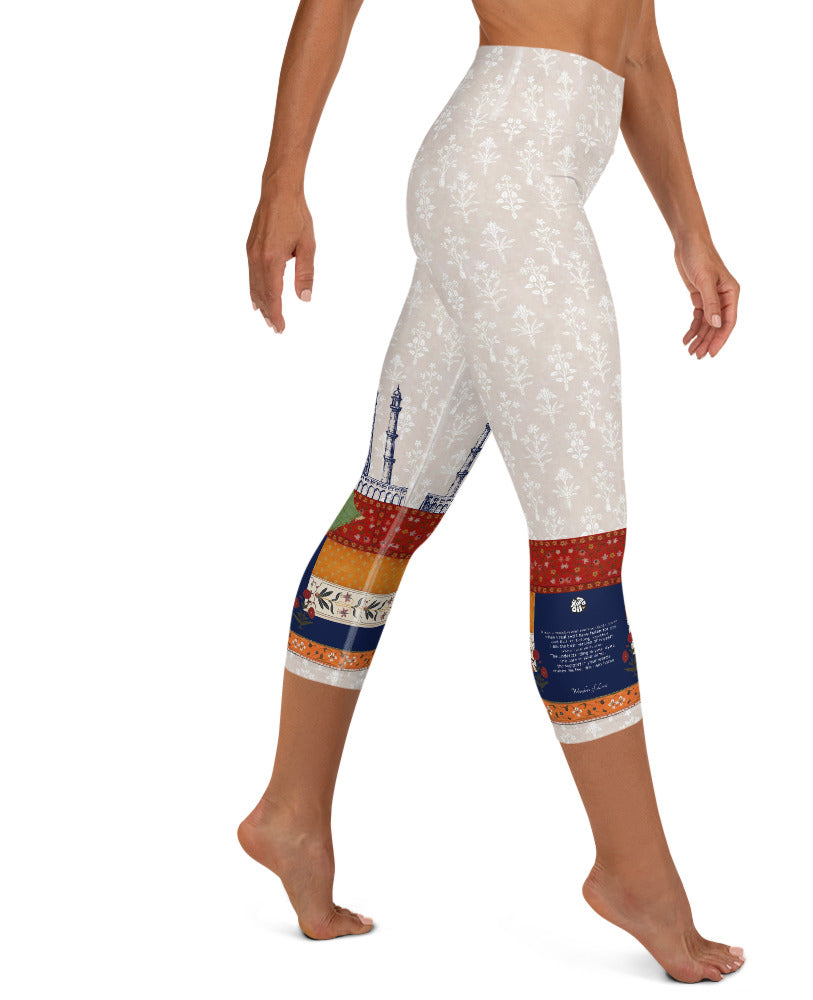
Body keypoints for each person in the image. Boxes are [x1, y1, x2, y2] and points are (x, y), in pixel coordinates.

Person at [239, 0, 743, 983]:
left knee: (387, 509)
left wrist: (691, 230)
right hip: (506, 177)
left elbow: (637, 46)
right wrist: (281, 183)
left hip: (507, 183)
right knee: (580, 548)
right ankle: (635, 871)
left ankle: (290, 811)